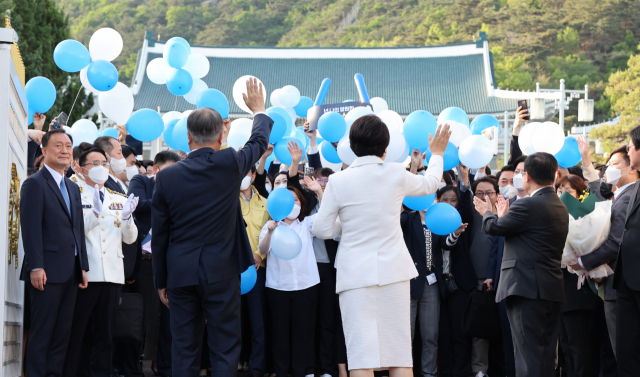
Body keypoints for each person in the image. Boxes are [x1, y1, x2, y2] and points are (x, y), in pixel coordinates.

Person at [312, 116, 450, 377]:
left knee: (361, 357)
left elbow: (321, 229)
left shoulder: (339, 181)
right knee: (399, 353)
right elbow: (431, 184)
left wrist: (347, 225)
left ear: (352, 147)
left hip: (354, 275)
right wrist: (439, 153)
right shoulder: (397, 172)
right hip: (394, 272)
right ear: (385, 148)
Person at [152, 78, 272, 377]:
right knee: (225, 345)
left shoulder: (166, 177)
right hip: (221, 270)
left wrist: (161, 280)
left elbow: (160, 235)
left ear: (188, 139)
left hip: (180, 272)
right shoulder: (229, 162)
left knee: (184, 346)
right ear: (221, 137)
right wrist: (258, 110)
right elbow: (258, 143)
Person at [475, 152, 569, 377]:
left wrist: (487, 212)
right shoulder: (558, 204)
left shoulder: (528, 205)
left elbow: (494, 228)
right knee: (544, 354)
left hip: (526, 289)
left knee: (527, 355)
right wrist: (502, 217)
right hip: (550, 288)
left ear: (527, 176)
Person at [63, 147, 139, 377]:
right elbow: (73, 233)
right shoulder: (73, 192)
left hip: (112, 275)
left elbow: (130, 238)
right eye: (94, 163)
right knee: (79, 333)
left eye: (104, 163)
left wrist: (127, 220)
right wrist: (94, 215)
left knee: (106, 334)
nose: (101, 168)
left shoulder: (118, 198)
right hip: (86, 273)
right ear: (81, 168)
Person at [20, 129, 89, 377]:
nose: (64, 150)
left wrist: (82, 266)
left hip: (70, 273)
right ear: (44, 150)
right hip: (45, 272)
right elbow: (30, 229)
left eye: (68, 146)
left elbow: (77, 230)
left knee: (62, 335)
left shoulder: (72, 188)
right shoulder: (34, 183)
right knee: (42, 333)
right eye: (58, 146)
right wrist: (36, 266)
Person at [570, 145, 639, 358]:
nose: (609, 168)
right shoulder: (618, 196)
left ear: (632, 167)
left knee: (625, 353)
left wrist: (582, 262)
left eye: (615, 163)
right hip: (616, 285)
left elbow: (616, 242)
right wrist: (586, 160)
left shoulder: (628, 198)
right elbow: (598, 190)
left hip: (622, 285)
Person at [401, 151, 465, 377]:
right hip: (408, 283)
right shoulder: (406, 219)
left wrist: (455, 233)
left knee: (431, 335)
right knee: (405, 336)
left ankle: (429, 374)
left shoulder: (438, 219)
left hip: (431, 284)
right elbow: (401, 197)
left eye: (433, 197)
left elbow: (446, 246)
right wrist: (413, 168)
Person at [258, 184, 323, 377]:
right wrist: (270, 231)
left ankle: (303, 371)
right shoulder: (270, 226)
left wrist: (319, 192)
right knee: (280, 333)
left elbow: (326, 216)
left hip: (306, 285)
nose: (293, 204)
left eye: (296, 200)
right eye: (289, 200)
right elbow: (263, 250)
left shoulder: (306, 225)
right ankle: (281, 371)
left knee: (303, 332)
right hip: (279, 287)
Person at [127, 150, 181, 377]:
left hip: (170, 262)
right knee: (143, 318)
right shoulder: (141, 181)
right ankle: (134, 366)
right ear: (157, 170)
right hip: (145, 262)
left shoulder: (180, 188)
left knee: (168, 317)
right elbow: (137, 205)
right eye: (171, 171)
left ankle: (164, 365)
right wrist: (168, 201)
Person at [437, 167, 478, 377]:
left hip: (461, 285)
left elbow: (466, 204)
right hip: (436, 286)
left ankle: (461, 373)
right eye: (445, 200)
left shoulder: (462, 221)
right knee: (442, 334)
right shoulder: (431, 223)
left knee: (461, 334)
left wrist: (463, 179)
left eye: (453, 200)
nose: (449, 204)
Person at [239, 162, 272, 377]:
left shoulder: (267, 203)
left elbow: (272, 234)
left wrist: (260, 255)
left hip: (258, 270)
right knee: (231, 319)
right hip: (232, 269)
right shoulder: (225, 201)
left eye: (246, 172)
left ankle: (257, 367)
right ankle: (230, 363)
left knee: (258, 321)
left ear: (253, 176)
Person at [612, 125, 640, 376]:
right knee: (624, 352)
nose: (629, 150)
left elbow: (613, 239)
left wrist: (586, 261)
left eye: (630, 147)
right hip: (623, 281)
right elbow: (585, 198)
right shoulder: (614, 194)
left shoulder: (629, 190)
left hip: (617, 276)